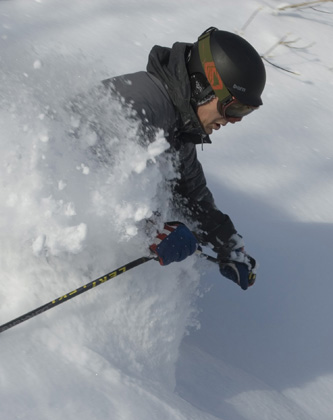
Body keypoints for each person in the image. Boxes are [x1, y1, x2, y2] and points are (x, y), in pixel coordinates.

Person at [101, 27, 265, 290]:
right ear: (204, 86)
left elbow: (188, 191)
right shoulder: (140, 106)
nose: (233, 120)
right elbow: (89, 181)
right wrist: (150, 230)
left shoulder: (176, 121)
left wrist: (225, 240)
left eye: (246, 111)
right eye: (233, 108)